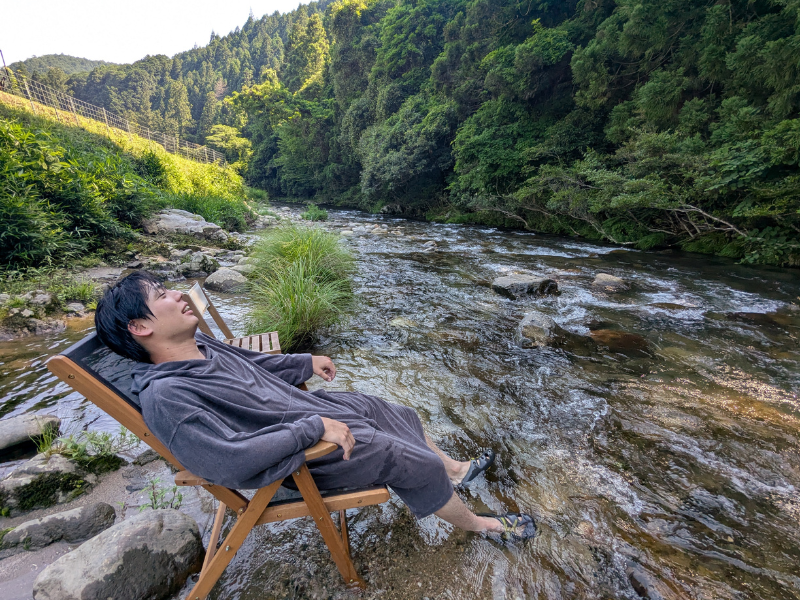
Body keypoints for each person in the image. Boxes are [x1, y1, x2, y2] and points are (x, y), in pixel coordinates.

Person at [95, 271, 535, 538]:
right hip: (299, 462)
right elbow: (226, 462)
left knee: (388, 410)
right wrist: (310, 431)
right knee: (400, 455)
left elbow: (257, 364)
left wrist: (305, 362)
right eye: (162, 296)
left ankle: (453, 471)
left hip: (302, 418)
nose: (177, 295)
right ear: (139, 327)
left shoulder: (203, 347)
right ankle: (481, 525)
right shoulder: (167, 396)